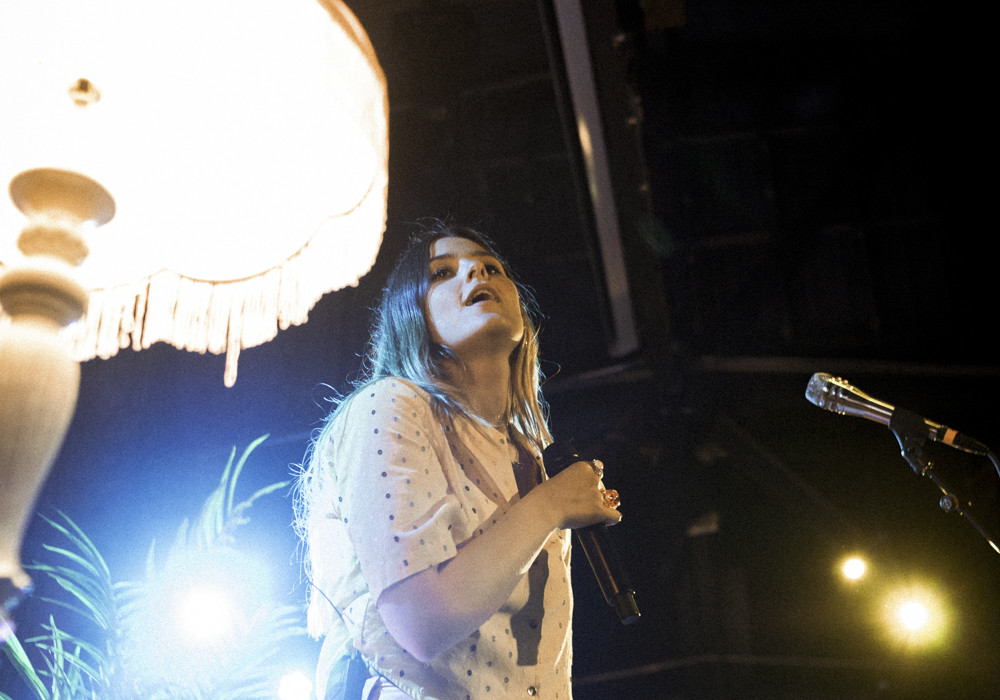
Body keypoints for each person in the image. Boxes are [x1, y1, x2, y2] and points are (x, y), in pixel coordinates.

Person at [294, 222, 622, 699]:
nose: (476, 271)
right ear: (410, 314)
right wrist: (551, 504)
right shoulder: (388, 406)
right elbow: (422, 622)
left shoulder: (530, 451)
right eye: (442, 272)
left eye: (492, 267)